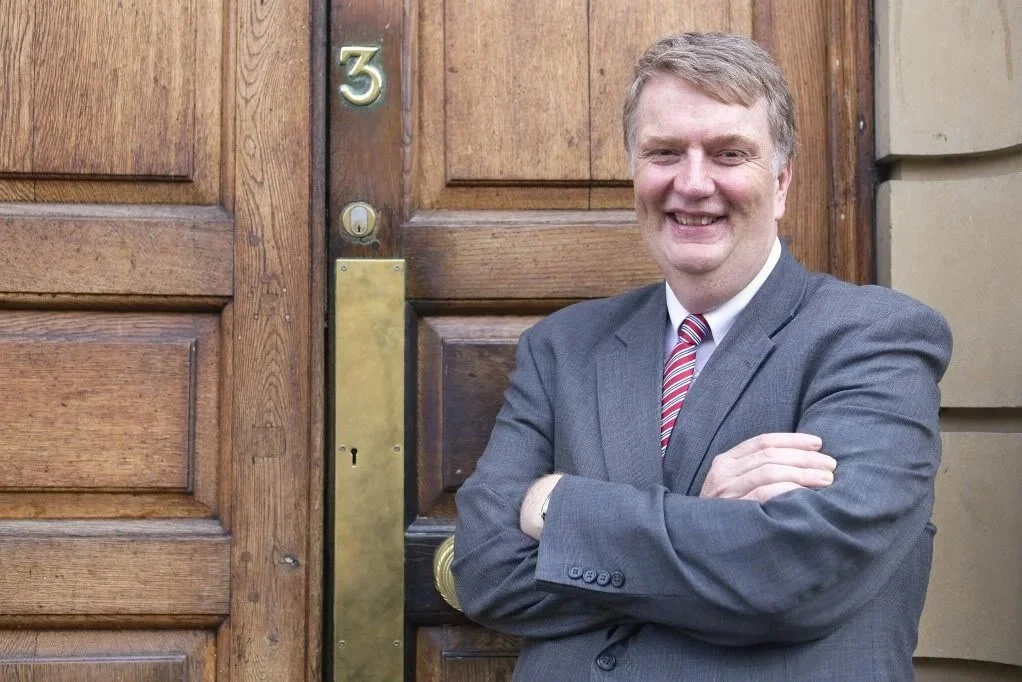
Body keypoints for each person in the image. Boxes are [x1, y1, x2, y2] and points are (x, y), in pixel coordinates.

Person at [452, 32, 952, 681]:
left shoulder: (875, 338)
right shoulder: (564, 347)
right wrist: (712, 531)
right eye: (664, 153)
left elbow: (807, 572)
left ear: (780, 180)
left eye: (728, 153)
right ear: (635, 170)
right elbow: (485, 571)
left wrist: (560, 509)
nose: (692, 184)